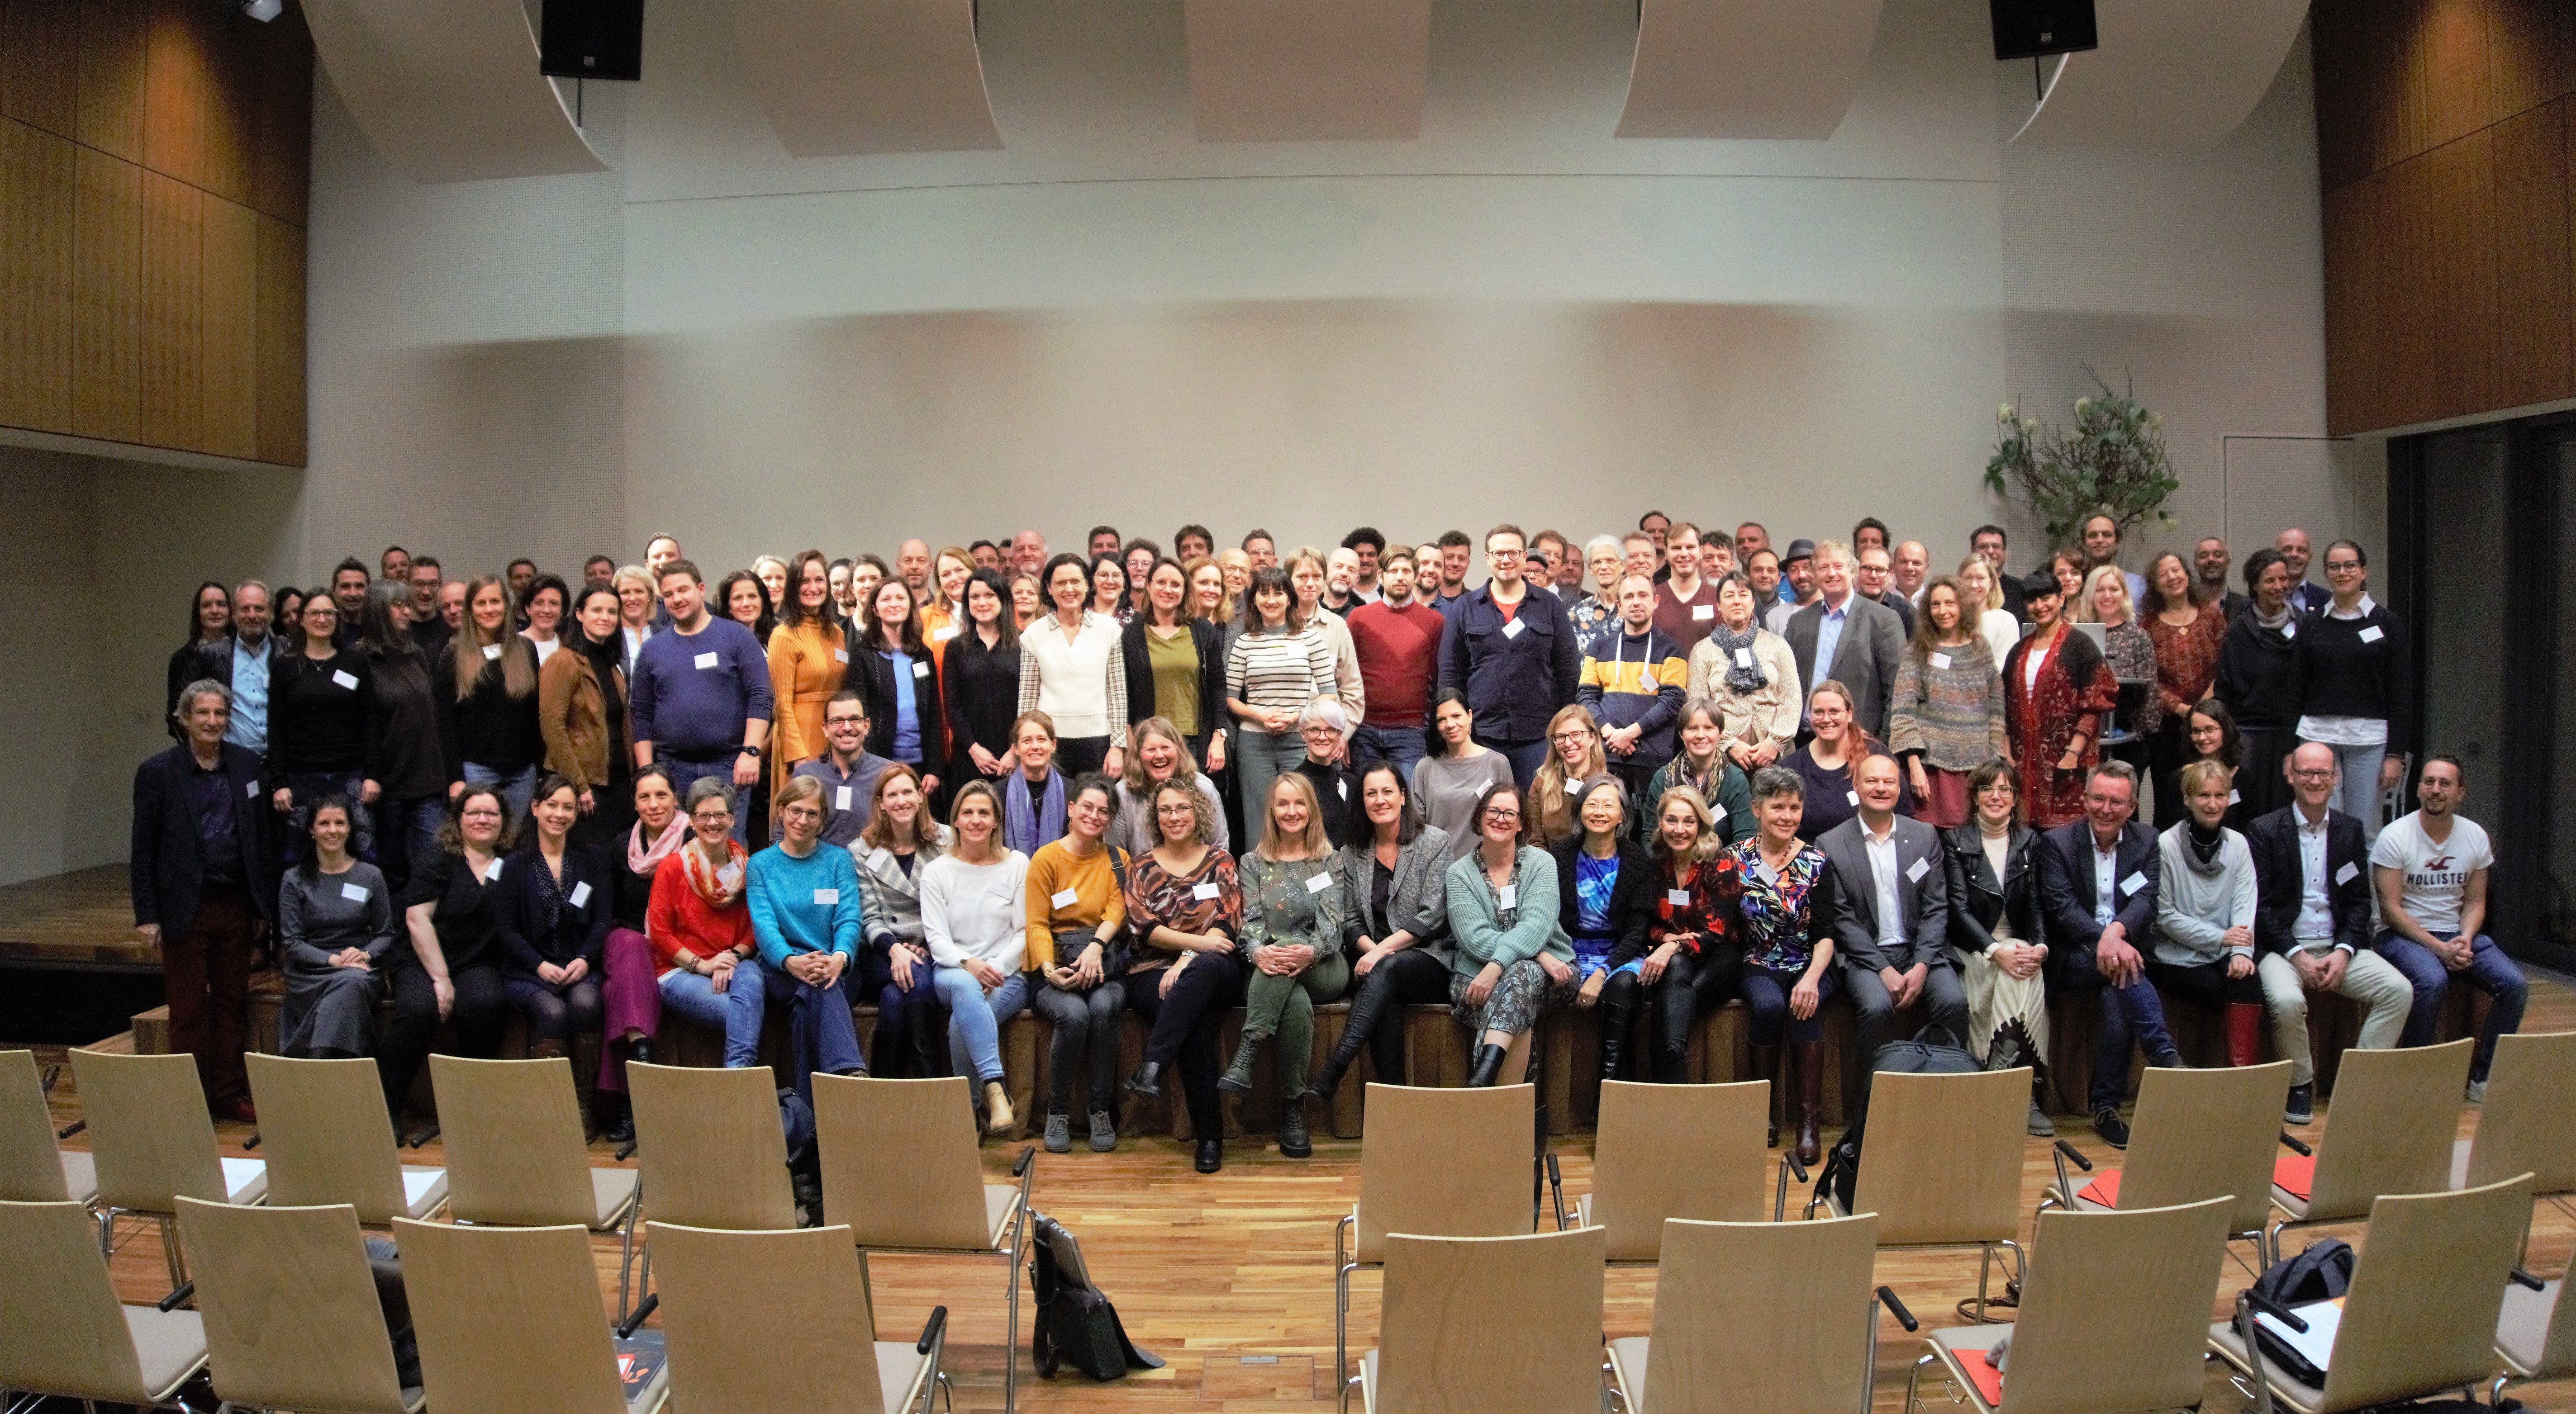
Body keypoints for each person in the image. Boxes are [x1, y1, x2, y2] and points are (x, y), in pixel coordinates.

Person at [133, 680, 275, 1122]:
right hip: (184, 907)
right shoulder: (158, 772)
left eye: (219, 714)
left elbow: (261, 840)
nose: (212, 722)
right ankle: (189, 1100)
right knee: (189, 1009)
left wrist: (262, 908)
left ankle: (228, 1093)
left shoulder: (249, 766)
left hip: (235, 904)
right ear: (184, 720)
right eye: (203, 714)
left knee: (232, 1004)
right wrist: (148, 914)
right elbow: (143, 848)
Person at [2249, 743, 2413, 1124]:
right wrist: (2296, 955)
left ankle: (2360, 1084)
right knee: (2287, 1002)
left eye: (2323, 773)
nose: (2315, 780)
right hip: (2284, 949)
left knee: (2399, 991)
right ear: (2291, 776)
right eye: (2307, 772)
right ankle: (2300, 1084)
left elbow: (2359, 903)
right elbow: (2262, 907)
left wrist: (2343, 951)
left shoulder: (2349, 830)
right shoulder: (2265, 831)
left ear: (2336, 779)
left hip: (2337, 946)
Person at [2037, 761, 2183, 1149]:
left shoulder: (2147, 841)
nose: (2106, 809)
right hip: (2075, 956)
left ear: (2132, 806)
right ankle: (2164, 1055)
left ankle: (2105, 1109)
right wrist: (2105, 939)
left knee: (2118, 995)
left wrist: (2116, 934)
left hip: (2121, 953)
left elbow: (2147, 899)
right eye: (2098, 798)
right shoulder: (2057, 843)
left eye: (2116, 802)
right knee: (2124, 972)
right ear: (2084, 800)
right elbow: (2062, 908)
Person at [2371, 755, 2526, 1101]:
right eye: (2429, 782)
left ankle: (2482, 1079)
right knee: (2432, 980)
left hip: (2456, 934)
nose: (2435, 790)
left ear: (2461, 793)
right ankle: (2415, 1079)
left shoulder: (2474, 837)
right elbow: (2390, 909)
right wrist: (2438, 949)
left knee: (2515, 985)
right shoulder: (2395, 836)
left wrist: (2465, 940)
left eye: (2445, 784)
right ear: (2418, 789)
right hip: (2400, 936)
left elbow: (2475, 902)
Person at [1303, 761, 1454, 1101]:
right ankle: (1396, 1108)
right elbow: (1351, 917)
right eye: (1371, 793)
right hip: (1377, 965)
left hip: (1429, 960)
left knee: (1389, 967)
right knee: (1386, 1002)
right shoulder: (1352, 852)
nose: (1380, 800)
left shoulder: (1434, 842)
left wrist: (1378, 952)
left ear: (1403, 796)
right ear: (1362, 802)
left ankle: (1336, 1067)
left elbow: (1432, 916)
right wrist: (1372, 950)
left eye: (1388, 791)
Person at [1119, 777, 1245, 1172]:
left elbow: (1228, 922)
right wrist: (1196, 947)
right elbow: (1143, 929)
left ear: (1198, 813)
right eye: (1166, 810)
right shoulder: (1139, 867)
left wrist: (1188, 957)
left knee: (1204, 970)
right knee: (1191, 1026)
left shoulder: (1221, 860)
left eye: (1183, 808)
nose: (1174, 816)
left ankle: (1152, 1065)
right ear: (1156, 818)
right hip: (1151, 972)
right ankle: (1210, 1138)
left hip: (1214, 969)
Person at [1220, 773, 1349, 1156]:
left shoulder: (1329, 859)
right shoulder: (1252, 862)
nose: (1291, 811)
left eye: (1299, 803)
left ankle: (1249, 1046)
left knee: (1289, 955)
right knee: (1295, 1003)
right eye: (1283, 804)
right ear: (1272, 812)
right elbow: (1252, 923)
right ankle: (1294, 1110)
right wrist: (1258, 951)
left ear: (1311, 809)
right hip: (1268, 968)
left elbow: (1333, 923)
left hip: (1323, 965)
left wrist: (1307, 950)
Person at [1820, 754, 1967, 1086]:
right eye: (1872, 781)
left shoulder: (1924, 836)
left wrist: (1921, 965)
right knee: (1876, 1008)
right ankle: (1874, 1103)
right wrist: (1884, 969)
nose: (1881, 788)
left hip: (1920, 950)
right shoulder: (1831, 844)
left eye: (1889, 782)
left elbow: (1936, 906)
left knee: (1953, 1001)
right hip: (1866, 957)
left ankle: (1944, 1093)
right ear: (1856, 787)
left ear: (1900, 789)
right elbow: (1842, 918)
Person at [1729, 765, 1840, 1162]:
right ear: (1757, 809)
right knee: (1770, 1005)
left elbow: (1827, 933)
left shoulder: (1817, 862)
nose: (1788, 816)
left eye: (1795, 808)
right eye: (1778, 807)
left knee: (1803, 1006)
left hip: (1810, 962)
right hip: (1757, 959)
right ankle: (1763, 1113)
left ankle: (1808, 1123)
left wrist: (1811, 978)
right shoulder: (1735, 859)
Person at [385, 786, 513, 1122]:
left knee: (487, 1003)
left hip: (476, 960)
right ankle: (385, 1109)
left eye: (491, 813)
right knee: (419, 1010)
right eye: (473, 813)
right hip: (422, 959)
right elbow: (417, 919)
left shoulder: (510, 863)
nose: (483, 820)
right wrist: (441, 980)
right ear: (459, 820)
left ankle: (468, 1113)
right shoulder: (439, 858)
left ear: (504, 821)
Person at [1942, 758, 2055, 1136]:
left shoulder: (2030, 841)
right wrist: (1995, 951)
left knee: (2023, 970)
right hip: (1974, 949)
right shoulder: (1956, 841)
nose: (1996, 796)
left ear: (2015, 797)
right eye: (1988, 788)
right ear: (1974, 796)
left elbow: (2037, 904)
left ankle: (1999, 1081)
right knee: (2016, 973)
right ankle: (2021, 1093)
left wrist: (2040, 947)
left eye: (2005, 789)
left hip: (2018, 945)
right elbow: (1958, 912)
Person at [745, 774, 872, 1103]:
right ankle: (848, 1074)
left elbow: (849, 917)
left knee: (814, 995)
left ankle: (808, 1109)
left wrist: (840, 957)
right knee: (815, 987)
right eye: (796, 811)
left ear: (822, 820)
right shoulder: (760, 864)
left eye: (812, 814)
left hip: (836, 966)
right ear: (781, 811)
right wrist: (789, 961)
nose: (803, 820)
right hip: (780, 969)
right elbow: (764, 925)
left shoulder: (838, 860)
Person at [495, 777, 615, 1119]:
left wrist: (584, 957)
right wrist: (539, 965)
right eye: (552, 805)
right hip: (529, 970)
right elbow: (506, 929)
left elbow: (603, 917)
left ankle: (582, 1108)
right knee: (552, 1012)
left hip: (579, 964)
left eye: (568, 807)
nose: (559, 814)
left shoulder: (593, 859)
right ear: (535, 808)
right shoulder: (514, 864)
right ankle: (549, 1111)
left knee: (587, 1003)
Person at [629, 560, 773, 845]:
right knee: (677, 854)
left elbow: (760, 696)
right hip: (672, 769)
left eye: (683, 590)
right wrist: (648, 774)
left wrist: (752, 752)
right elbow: (641, 714)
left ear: (701, 589)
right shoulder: (652, 650)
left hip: (730, 765)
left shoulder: (736, 637)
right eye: (668, 595)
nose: (677, 599)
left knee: (728, 850)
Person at [1024, 774, 1130, 1154]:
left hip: (1105, 965)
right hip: (1056, 967)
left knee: (1102, 1008)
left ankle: (1100, 1110)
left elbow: (1117, 910)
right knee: (1073, 1016)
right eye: (1087, 807)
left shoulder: (1119, 860)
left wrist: (1096, 948)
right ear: (1071, 809)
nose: (1094, 816)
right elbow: (1036, 923)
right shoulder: (1046, 859)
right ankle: (1058, 1112)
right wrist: (1051, 970)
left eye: (1104, 811)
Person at [1445, 782, 1576, 1088]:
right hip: (1475, 979)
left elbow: (1537, 925)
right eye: (1493, 811)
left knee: (1521, 977)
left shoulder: (1542, 863)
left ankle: (1485, 1079)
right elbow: (1474, 937)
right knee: (1522, 984)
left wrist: (1497, 966)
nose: (1500, 818)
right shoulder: (1459, 873)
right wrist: (1539, 954)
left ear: (1521, 824)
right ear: (1479, 817)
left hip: (1552, 977)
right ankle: (1519, 1118)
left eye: (1510, 813)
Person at [921, 780, 1030, 1135]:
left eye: (984, 813)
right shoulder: (937, 871)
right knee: (965, 989)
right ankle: (995, 1088)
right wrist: (971, 966)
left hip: (1006, 974)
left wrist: (993, 969)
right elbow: (937, 939)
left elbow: (1023, 932)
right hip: (954, 971)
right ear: (955, 821)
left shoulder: (1017, 864)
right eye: (968, 813)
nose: (976, 820)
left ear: (997, 821)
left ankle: (968, 1116)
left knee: (959, 1024)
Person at [1439, 525, 1581, 787]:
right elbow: (1450, 673)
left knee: (1536, 815)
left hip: (1539, 736)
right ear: (1487, 558)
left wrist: (1565, 726)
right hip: (1481, 736)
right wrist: (1458, 728)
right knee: (1484, 815)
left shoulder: (1550, 607)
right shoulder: (1464, 608)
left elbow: (1568, 670)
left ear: (1525, 556)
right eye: (1499, 553)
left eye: (1514, 553)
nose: (1506, 560)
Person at [2149, 760, 2266, 1068]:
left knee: (2249, 981)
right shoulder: (2166, 845)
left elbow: (2245, 899)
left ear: (2229, 799)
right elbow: (2166, 917)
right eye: (2203, 795)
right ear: (2187, 799)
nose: (2212, 804)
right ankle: (2205, 1085)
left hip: (2225, 949)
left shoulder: (2238, 844)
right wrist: (2221, 938)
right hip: (2176, 954)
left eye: (2220, 795)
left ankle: (2243, 1082)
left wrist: (2241, 951)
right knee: (2220, 991)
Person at [592, 767, 688, 1141]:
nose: (653, 805)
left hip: (679, 946)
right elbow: (608, 909)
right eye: (644, 797)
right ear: (634, 803)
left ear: (676, 798)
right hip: (629, 938)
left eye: (661, 795)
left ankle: (631, 1103)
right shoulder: (619, 847)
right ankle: (644, 1062)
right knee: (631, 946)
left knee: (614, 992)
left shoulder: (694, 837)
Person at [2290, 540, 2408, 838]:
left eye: (2350, 566)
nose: (2342, 572)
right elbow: (2296, 687)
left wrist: (2396, 754)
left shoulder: (2387, 624)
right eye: (2335, 567)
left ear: (2364, 571)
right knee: (2322, 825)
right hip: (2317, 736)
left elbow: (2400, 691)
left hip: (2368, 740)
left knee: (2364, 831)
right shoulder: (2312, 624)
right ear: (2327, 573)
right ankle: (2327, 887)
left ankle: (2361, 888)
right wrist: (2286, 751)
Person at [278, 797, 398, 1061]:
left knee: (352, 982)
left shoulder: (371, 876)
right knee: (349, 983)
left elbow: (385, 934)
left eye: (340, 823)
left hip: (359, 966)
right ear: (311, 830)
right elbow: (293, 943)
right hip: (311, 972)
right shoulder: (293, 879)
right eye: (324, 823)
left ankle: (318, 1057)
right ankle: (341, 1066)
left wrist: (365, 954)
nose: (332, 830)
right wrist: (335, 961)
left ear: (349, 829)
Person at [850, 765, 948, 1078]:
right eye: (892, 794)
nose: (901, 801)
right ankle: (933, 1081)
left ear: (921, 797)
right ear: (880, 803)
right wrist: (895, 949)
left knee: (895, 998)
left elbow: (956, 904)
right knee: (915, 978)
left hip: (935, 948)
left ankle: (881, 1089)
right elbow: (869, 916)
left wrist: (929, 949)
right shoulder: (861, 851)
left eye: (908, 792)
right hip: (883, 953)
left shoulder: (947, 841)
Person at [2001, 569, 2117, 830]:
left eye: (2046, 598)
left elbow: (2096, 703)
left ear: (2061, 598)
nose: (2040, 607)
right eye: (2032, 601)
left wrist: (2074, 752)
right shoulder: (2018, 651)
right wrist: (2006, 751)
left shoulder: (2081, 645)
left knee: (2064, 845)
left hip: (2066, 767)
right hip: (2022, 766)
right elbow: (2004, 706)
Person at [1887, 576, 2006, 829]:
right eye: (1936, 605)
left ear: (1963, 605)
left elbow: (1996, 704)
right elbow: (1903, 711)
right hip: (1932, 771)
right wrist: (1914, 764)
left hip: (1977, 768)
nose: (1943, 611)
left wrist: (1995, 756)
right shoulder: (1918, 651)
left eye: (1950, 603)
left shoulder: (1979, 647)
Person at [270, 589, 378, 864]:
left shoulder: (355, 663)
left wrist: (373, 775)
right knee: (299, 856)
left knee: (359, 850)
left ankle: (358, 906)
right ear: (302, 620)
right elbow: (276, 728)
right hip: (300, 777)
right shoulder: (285, 666)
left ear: (337, 619)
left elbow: (370, 720)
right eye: (314, 613)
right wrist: (279, 782)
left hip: (350, 774)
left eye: (328, 613)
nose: (322, 619)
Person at [1226, 565, 1337, 817]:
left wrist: (1297, 717)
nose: (1271, 600)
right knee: (1260, 817)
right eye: (1264, 594)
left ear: (1290, 599)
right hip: (1254, 742)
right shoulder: (1244, 643)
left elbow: (1329, 693)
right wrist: (1261, 717)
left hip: (1299, 738)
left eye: (1278, 593)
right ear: (1254, 600)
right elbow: (1231, 700)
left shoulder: (1310, 639)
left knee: (1301, 815)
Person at [435, 576, 544, 826]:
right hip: (476, 769)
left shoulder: (526, 649)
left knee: (517, 843)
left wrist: (539, 771)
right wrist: (455, 779)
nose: (489, 609)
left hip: (522, 771)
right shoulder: (453, 655)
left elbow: (533, 716)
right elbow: (445, 723)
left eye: (495, 601)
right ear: (470, 610)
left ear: (506, 605)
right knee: (482, 839)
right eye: (481, 603)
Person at [1552, 778, 1647, 1051]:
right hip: (1569, 952)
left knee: (1625, 985)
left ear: (1622, 816)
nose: (1599, 812)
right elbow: (1548, 921)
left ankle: (1610, 1084)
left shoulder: (1637, 860)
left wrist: (1603, 972)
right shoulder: (1559, 856)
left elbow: (1636, 933)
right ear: (1580, 811)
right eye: (1591, 805)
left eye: (1608, 805)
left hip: (1621, 955)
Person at [538, 585, 632, 854]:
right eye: (597, 610)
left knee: (615, 860)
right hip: (583, 784)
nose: (606, 617)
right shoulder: (563, 661)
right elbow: (553, 729)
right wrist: (577, 786)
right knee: (588, 860)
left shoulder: (613, 666)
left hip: (617, 780)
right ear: (579, 614)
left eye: (612, 612)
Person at [1580, 574, 1688, 805]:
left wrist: (1629, 734)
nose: (1636, 602)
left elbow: (1672, 702)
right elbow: (1585, 696)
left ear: (1656, 601)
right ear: (1619, 606)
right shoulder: (1599, 648)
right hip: (1606, 755)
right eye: (1628, 597)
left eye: (1643, 595)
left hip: (1653, 759)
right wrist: (1611, 734)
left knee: (1652, 829)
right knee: (1608, 826)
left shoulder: (1672, 650)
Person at [1019, 554, 1130, 778]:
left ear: (1088, 585)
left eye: (1075, 581)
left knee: (1096, 808)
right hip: (1050, 743)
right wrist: (1025, 744)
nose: (1069, 589)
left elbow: (1117, 692)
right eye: (1060, 583)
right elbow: (1028, 698)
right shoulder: (1033, 634)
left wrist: (1117, 747)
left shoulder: (1109, 630)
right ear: (1049, 589)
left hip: (1100, 740)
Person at [2214, 550, 2302, 823]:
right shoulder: (2239, 630)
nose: (2278, 587)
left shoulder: (2304, 626)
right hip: (2248, 733)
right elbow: (2224, 688)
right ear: (2254, 585)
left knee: (2285, 808)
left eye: (2283, 579)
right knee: (2245, 807)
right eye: (2269, 581)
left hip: (2291, 734)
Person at [1344, 547, 1448, 779]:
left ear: (1416, 575)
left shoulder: (1435, 622)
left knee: (1409, 803)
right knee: (1366, 803)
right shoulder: (1359, 618)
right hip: (1364, 729)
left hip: (1410, 732)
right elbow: (1345, 676)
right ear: (1381, 576)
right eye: (1393, 571)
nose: (1400, 577)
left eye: (1406, 571)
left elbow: (1438, 678)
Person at [1785, 540, 1905, 738]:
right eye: (1824, 568)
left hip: (1860, 741)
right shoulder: (1798, 622)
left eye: (1838, 566)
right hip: (1805, 739)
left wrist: (1883, 743)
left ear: (1853, 572)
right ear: (1815, 576)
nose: (1832, 573)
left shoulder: (1883, 620)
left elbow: (1897, 690)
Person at [2143, 551, 2227, 830]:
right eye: (2164, 574)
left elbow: (2226, 663)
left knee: (2210, 793)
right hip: (2167, 731)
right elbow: (2148, 679)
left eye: (2177, 570)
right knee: (2169, 800)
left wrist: (2202, 709)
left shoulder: (2211, 617)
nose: (2172, 577)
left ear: (2188, 576)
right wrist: (2180, 709)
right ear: (2155, 584)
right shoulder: (2148, 626)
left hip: (2211, 725)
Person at [1122, 556, 1229, 774]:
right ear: (1149, 586)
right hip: (1150, 744)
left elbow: (1218, 685)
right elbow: (1125, 693)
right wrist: (1130, 742)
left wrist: (1218, 738)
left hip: (1195, 740)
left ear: (1184, 590)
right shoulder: (1132, 634)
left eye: (1176, 584)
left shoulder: (1201, 629)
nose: (1168, 590)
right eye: (1161, 583)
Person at [1688, 572, 1798, 772]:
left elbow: (1791, 699)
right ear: (1719, 605)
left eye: (1743, 594)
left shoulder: (1777, 645)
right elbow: (1698, 707)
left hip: (1777, 755)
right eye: (1729, 596)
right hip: (1724, 756)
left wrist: (1775, 742)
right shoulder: (1703, 651)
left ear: (1753, 602)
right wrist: (1729, 744)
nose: (1737, 602)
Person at [765, 549, 848, 809]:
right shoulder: (783, 635)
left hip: (835, 733)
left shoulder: (836, 633)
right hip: (801, 739)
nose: (813, 588)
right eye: (805, 581)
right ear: (794, 587)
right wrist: (796, 755)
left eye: (819, 580)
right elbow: (781, 704)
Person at [851, 578, 946, 801]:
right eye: (886, 599)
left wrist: (935, 768)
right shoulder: (863, 654)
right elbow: (857, 712)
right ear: (874, 608)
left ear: (911, 606)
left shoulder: (923, 654)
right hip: (878, 764)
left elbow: (934, 712)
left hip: (921, 767)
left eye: (901, 598)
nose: (894, 604)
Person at [1783, 680, 1907, 839]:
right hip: (1813, 858)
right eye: (1819, 712)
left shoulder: (1877, 756)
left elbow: (1903, 814)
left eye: (1834, 712)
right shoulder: (1792, 767)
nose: (1826, 719)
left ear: (1849, 714)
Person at [1411, 689, 1517, 872]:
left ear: (1470, 716)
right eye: (1442, 720)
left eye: (1456, 716)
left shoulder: (1497, 763)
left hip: (1486, 869)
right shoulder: (1424, 768)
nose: (1450, 724)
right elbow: (1416, 828)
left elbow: (1511, 820)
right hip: (1437, 869)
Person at [943, 569, 1024, 788]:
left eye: (990, 595)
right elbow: (952, 706)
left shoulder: (1024, 644)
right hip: (970, 756)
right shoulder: (956, 648)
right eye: (975, 597)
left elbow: (1030, 703)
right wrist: (973, 748)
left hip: (1015, 757)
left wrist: (1016, 750)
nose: (982, 602)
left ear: (1003, 599)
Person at [1640, 698, 1754, 849]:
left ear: (1721, 733)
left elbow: (1745, 839)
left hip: (1719, 867)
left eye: (1708, 728)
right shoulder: (1663, 777)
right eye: (1693, 728)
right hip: (1670, 865)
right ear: (1681, 734)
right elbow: (1649, 836)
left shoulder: (1735, 780)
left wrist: (1706, 867)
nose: (1701, 735)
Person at [1112, 716, 1228, 857]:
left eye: (1165, 747)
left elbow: (1220, 848)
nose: (1159, 755)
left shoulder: (1204, 788)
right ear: (1138, 756)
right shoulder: (1123, 793)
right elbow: (1117, 855)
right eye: (1151, 750)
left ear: (1178, 750)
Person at [788, 690, 890, 849]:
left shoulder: (888, 774)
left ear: (866, 726)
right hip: (817, 868)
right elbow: (783, 833)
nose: (847, 727)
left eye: (855, 719)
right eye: (837, 721)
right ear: (825, 729)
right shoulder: (806, 775)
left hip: (871, 869)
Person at [2085, 566, 2160, 774]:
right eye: (2100, 590)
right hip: (2086, 738)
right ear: (2091, 595)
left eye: (2113, 589)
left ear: (2124, 594)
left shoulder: (2139, 637)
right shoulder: (2078, 636)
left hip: (2130, 739)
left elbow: (2151, 692)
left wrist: (2143, 736)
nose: (2107, 596)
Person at [198, 580, 280, 757]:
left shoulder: (287, 652)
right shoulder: (213, 656)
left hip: (282, 761)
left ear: (271, 613)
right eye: (245, 609)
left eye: (259, 609)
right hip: (234, 761)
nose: (252, 615)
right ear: (234, 615)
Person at [1527, 704, 1610, 848]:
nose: (1568, 743)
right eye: (1561, 737)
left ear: (1592, 738)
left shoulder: (1610, 786)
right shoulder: (1541, 783)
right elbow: (1535, 842)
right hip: (1552, 867)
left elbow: (1617, 842)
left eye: (1576, 734)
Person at [168, 582, 233, 739]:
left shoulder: (242, 654)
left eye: (221, 605)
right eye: (207, 605)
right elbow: (175, 712)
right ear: (198, 613)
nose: (215, 610)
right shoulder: (183, 658)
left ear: (231, 611)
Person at [1650, 522, 1721, 654]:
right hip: (1664, 674)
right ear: (1666, 553)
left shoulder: (1718, 597)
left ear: (1701, 552)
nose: (1684, 554)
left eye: (1690, 547)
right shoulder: (1652, 597)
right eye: (1676, 548)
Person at [1954, 556, 2021, 669]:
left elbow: (2003, 667)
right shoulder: (1951, 618)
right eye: (1968, 578)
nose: (1974, 585)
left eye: (1981, 578)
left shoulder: (2006, 620)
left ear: (1991, 583)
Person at [1568, 535, 1624, 658]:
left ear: (1622, 566)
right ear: (1590, 569)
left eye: (1610, 561)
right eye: (1597, 562)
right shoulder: (1576, 614)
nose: (1603, 567)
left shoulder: (1634, 608)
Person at [2076, 512, 2148, 607]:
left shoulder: (2139, 586)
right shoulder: (2074, 586)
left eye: (2107, 535)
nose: (2100, 540)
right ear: (2084, 544)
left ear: (2118, 543)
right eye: (2093, 535)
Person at [1971, 524, 2029, 624]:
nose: (1990, 551)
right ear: (1973, 551)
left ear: (2005, 552)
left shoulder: (2023, 590)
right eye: (1983, 547)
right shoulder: (1960, 590)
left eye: (1996, 547)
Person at [1854, 544, 1915, 639]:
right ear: (1856, 572)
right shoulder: (1845, 608)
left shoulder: (1906, 611)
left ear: (1891, 576)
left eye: (1880, 570)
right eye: (1866, 568)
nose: (1873, 575)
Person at [612, 565, 656, 681]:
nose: (632, 598)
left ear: (650, 596)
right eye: (625, 592)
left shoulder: (665, 635)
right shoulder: (608, 639)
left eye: (639, 591)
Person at [2274, 528, 2331, 616]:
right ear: (2275, 555)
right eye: (2287, 549)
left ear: (2310, 558)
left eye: (2301, 550)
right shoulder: (2261, 598)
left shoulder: (2327, 600)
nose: (2294, 555)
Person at [2194, 536, 2252, 621]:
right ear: (2196, 565)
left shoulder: (2247, 607)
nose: (2211, 559)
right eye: (2204, 556)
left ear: (2228, 563)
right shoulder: (2186, 606)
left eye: (2218, 555)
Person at [715, 570, 775, 649]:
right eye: (738, 598)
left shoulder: (776, 637)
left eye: (752, 596)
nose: (746, 604)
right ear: (728, 606)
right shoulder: (718, 644)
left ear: (763, 602)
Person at [519, 574, 569, 667]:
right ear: (528, 608)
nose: (546, 610)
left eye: (554, 603)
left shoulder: (570, 646)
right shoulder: (512, 645)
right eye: (539, 603)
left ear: (562, 611)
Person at [1426, 529, 1472, 609]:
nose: (1456, 564)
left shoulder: (1475, 604)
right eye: (1449, 557)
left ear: (1468, 564)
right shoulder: (1423, 600)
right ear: (1439, 561)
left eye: (1462, 559)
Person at [1087, 553, 1129, 623]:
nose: (1110, 581)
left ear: (1124, 583)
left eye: (1116, 576)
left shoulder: (1138, 621)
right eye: (1103, 575)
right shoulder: (1078, 618)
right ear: (1092, 581)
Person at [1892, 540, 1930, 607]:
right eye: (1903, 562)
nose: (1909, 568)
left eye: (1916, 563)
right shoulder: (1880, 602)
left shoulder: (1935, 604)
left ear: (1927, 568)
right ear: (1894, 566)